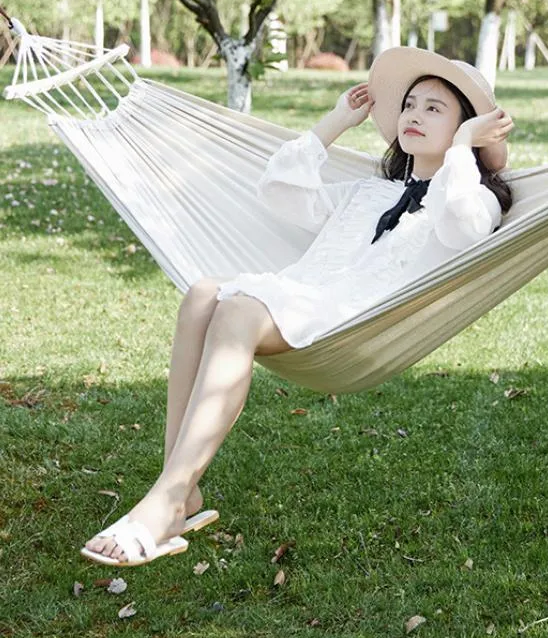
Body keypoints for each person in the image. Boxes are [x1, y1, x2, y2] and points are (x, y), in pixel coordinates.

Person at [81, 47, 515, 566]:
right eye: (410, 104)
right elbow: (282, 192)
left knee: (237, 308)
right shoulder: (367, 193)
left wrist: (465, 151)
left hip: (351, 322)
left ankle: (167, 501)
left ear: (466, 128)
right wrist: (334, 121)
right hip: (302, 296)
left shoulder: (472, 197)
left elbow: (464, 229)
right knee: (202, 293)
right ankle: (179, 492)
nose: (414, 116)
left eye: (434, 109)